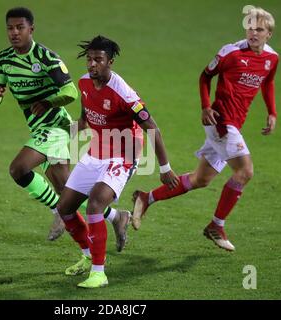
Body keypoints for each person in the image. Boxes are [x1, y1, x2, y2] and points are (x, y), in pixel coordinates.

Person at [132, 7, 279, 252]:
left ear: (269, 34)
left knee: (200, 179)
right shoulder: (230, 53)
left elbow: (269, 82)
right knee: (245, 171)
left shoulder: (272, 58)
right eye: (250, 27)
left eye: (259, 29)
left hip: (235, 123)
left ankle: (147, 198)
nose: (253, 32)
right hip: (220, 122)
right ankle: (216, 226)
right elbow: (205, 76)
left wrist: (272, 111)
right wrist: (205, 106)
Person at [0, 7, 131, 249]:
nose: (14, 33)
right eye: (10, 28)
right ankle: (116, 217)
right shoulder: (3, 60)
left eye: (20, 27)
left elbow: (71, 92)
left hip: (56, 125)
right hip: (38, 129)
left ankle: (60, 211)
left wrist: (48, 102)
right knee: (67, 191)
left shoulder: (47, 58)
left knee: (18, 168)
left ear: (31, 29)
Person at [56, 35, 179, 288]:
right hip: (95, 152)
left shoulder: (124, 93)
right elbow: (85, 119)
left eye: (98, 60)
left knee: (94, 206)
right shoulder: (83, 84)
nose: (92, 64)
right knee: (65, 208)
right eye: (89, 59)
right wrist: (61, 133)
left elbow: (153, 128)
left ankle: (99, 274)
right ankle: (89, 255)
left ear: (110, 62)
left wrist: (165, 168)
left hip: (123, 155)